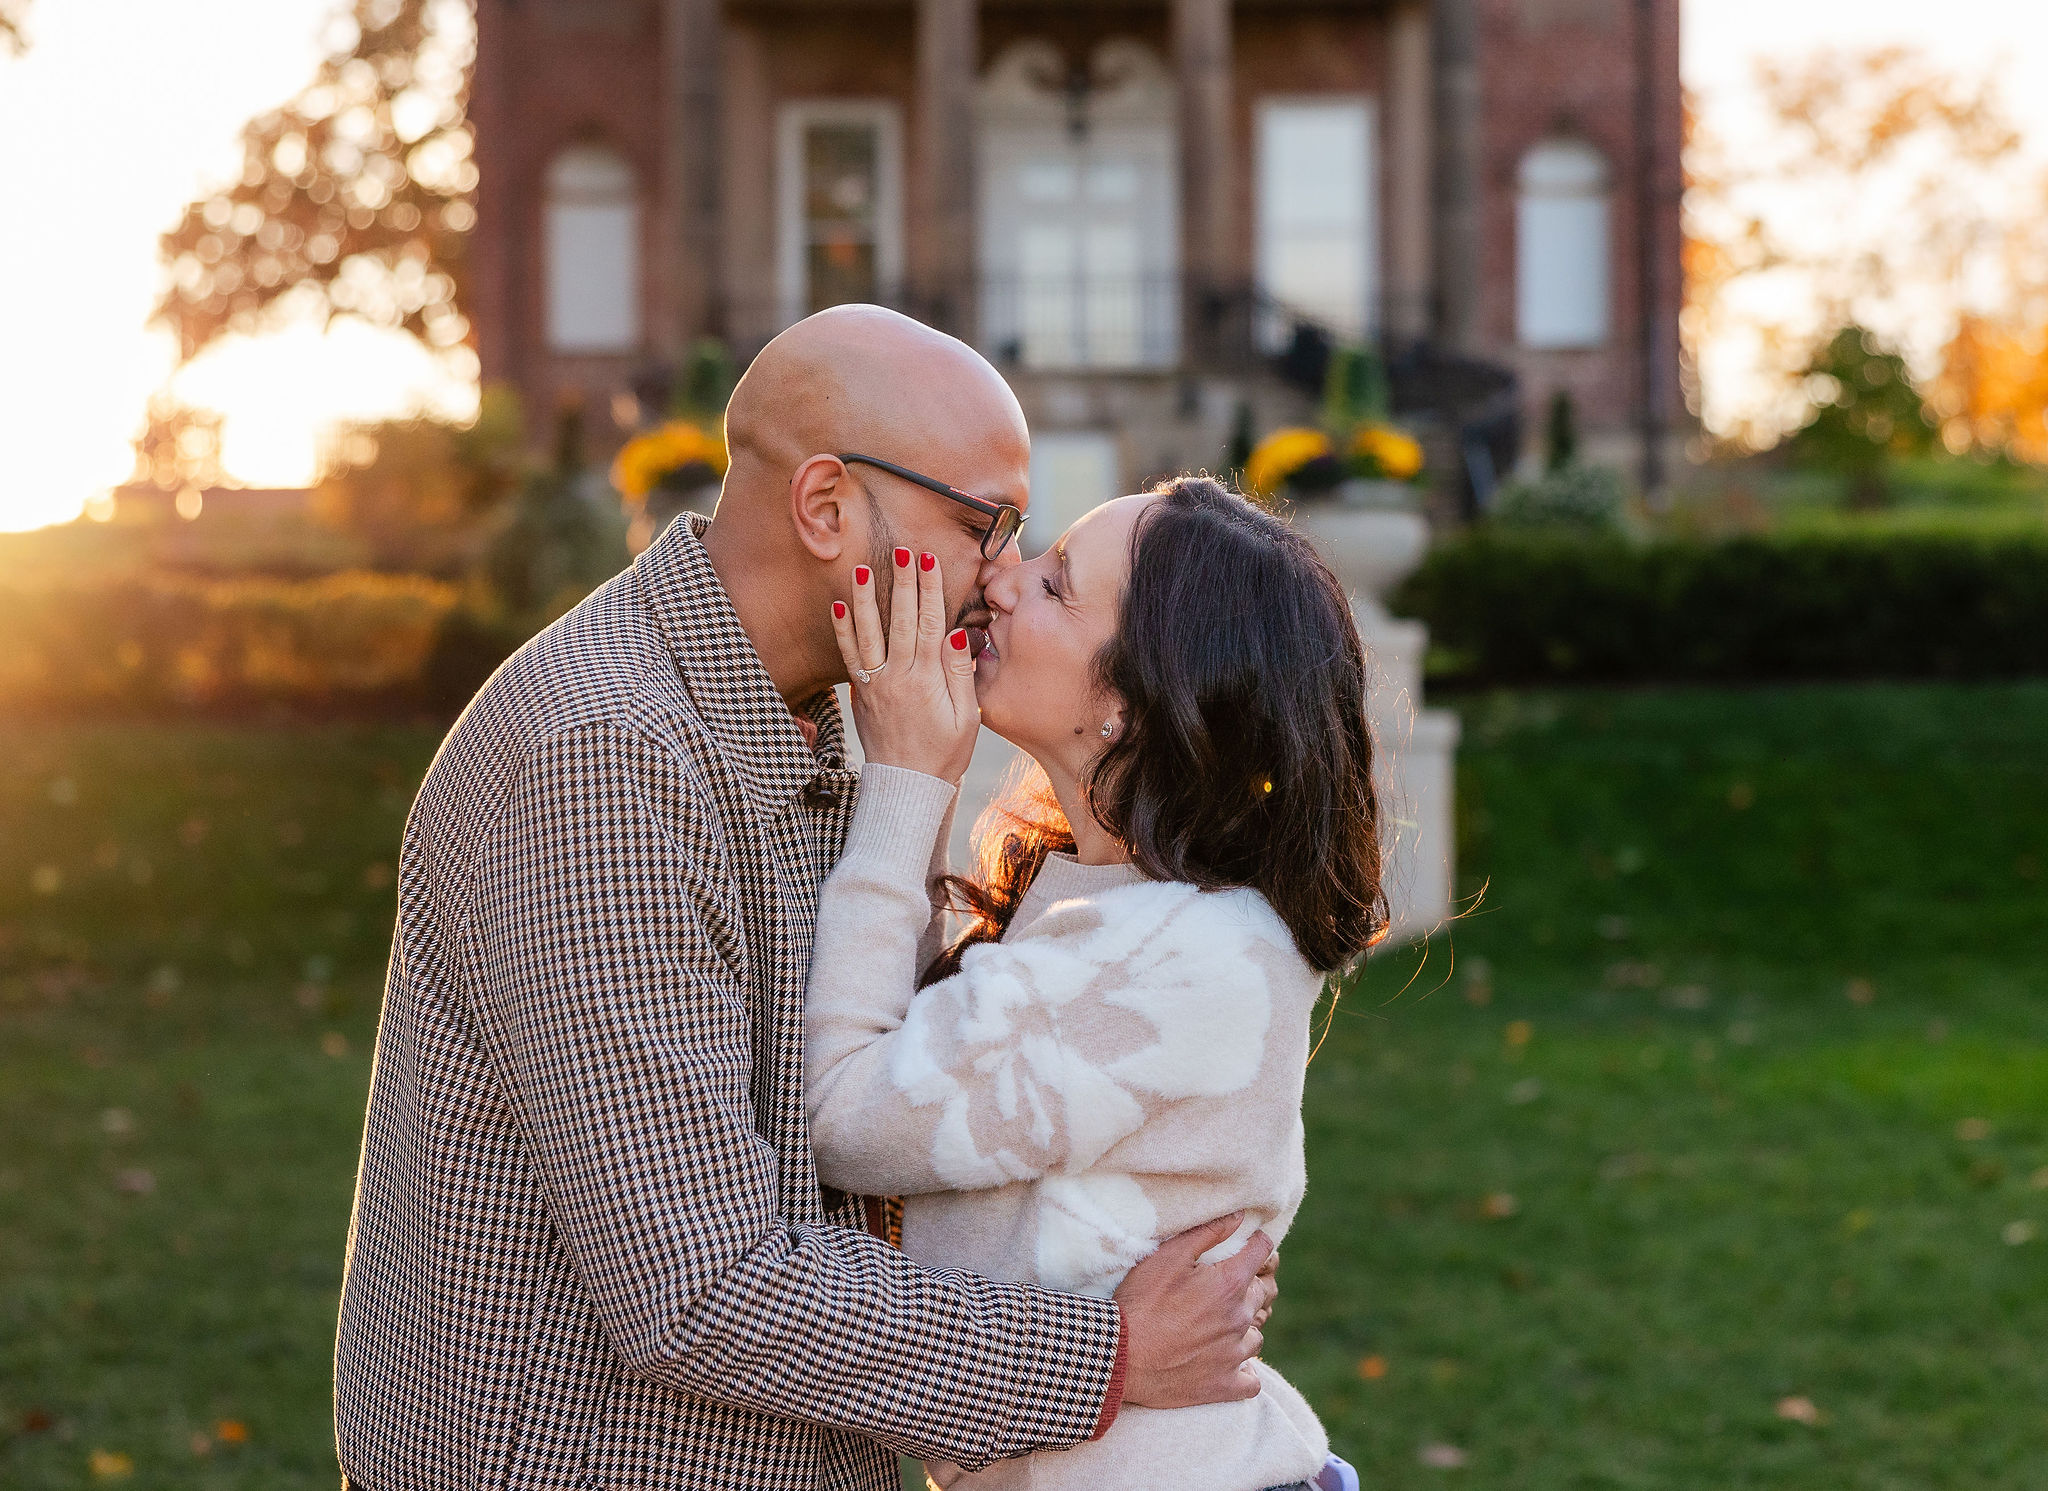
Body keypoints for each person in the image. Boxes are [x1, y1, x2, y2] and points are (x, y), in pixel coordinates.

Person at [333, 308, 1276, 1491]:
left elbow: (892, 1129)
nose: (998, 579)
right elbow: (699, 1290)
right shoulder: (605, 759)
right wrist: (1111, 1353)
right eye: (984, 526)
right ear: (826, 508)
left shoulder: (831, 722)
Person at [804, 476, 1385, 1491]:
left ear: (1131, 698)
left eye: (1056, 583)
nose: (1000, 577)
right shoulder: (1121, 909)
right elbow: (919, 1060)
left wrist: (907, 777)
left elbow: (848, 1115)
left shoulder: (1186, 957)